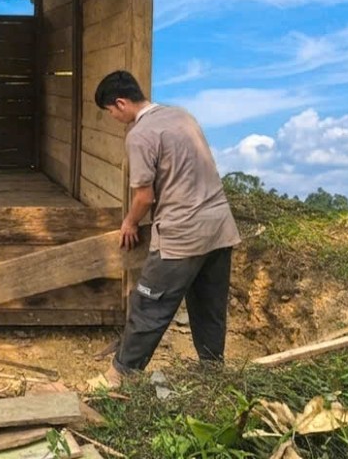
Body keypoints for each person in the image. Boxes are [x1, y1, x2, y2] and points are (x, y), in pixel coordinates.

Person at [92, 70, 241, 388]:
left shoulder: (140, 134)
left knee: (148, 306)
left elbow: (145, 196)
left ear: (120, 103)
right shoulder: (182, 116)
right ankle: (213, 376)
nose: (114, 119)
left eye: (110, 113)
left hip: (182, 235)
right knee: (208, 309)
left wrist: (130, 221)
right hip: (219, 228)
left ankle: (119, 376)